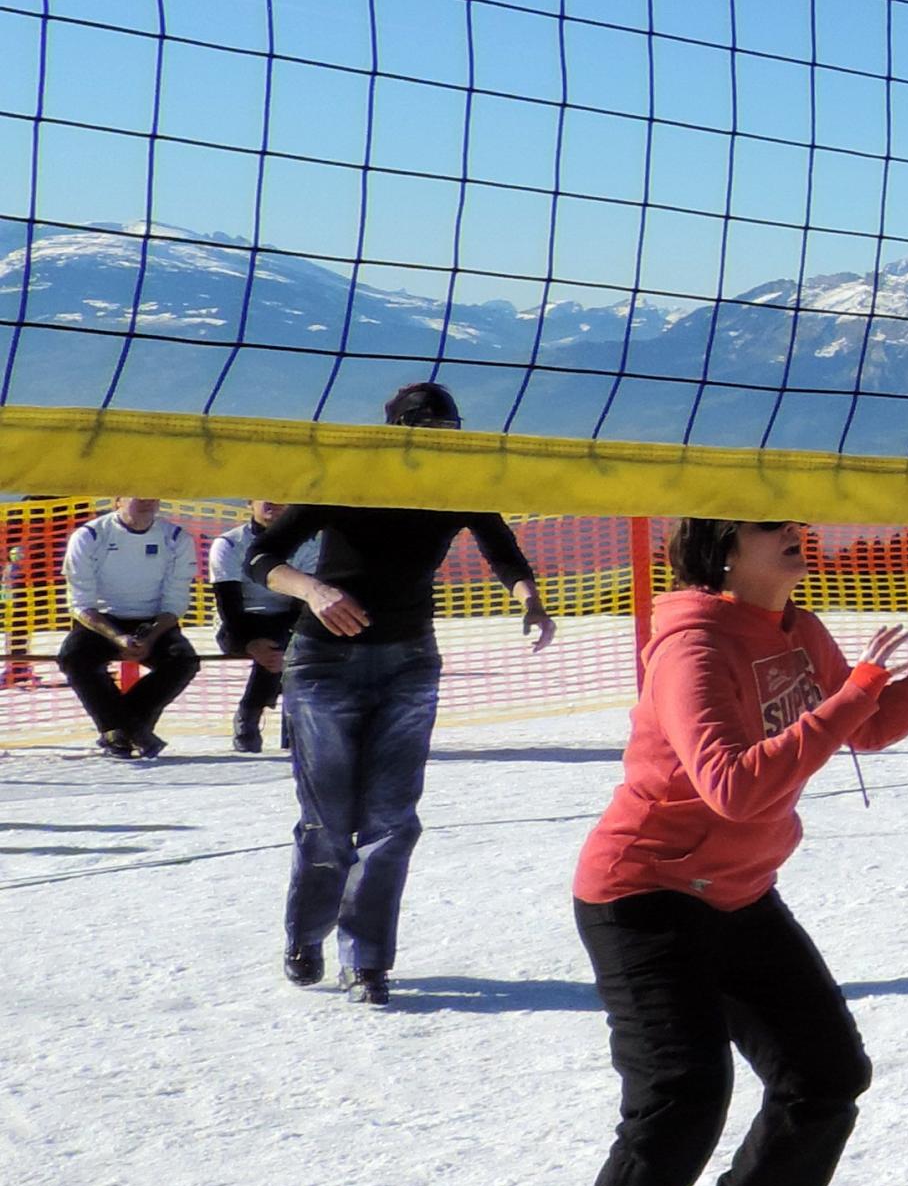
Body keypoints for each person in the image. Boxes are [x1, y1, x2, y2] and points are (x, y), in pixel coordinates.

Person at [524, 520, 908, 1186]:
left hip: (738, 892)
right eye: (771, 524)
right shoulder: (692, 648)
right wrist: (853, 692)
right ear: (724, 550)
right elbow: (733, 787)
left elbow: (868, 727)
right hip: (645, 894)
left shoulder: (795, 627)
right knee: (681, 1098)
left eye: (794, 520)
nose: (796, 532)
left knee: (825, 1075)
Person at [256, 384, 557, 1004]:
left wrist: (530, 599)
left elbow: (502, 549)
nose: (443, 442)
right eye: (430, 431)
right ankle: (306, 935)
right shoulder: (347, 477)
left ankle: (366, 960)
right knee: (328, 821)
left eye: (450, 431)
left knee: (392, 821)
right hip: (324, 662)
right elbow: (261, 557)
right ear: (397, 431)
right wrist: (314, 591)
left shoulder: (458, 486)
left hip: (410, 661)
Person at [57, 495, 198, 759]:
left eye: (152, 494)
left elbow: (176, 601)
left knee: (183, 661)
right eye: (137, 494)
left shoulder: (176, 538)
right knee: (74, 656)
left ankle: (121, 728)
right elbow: (81, 603)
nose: (146, 500)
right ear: (117, 501)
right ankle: (131, 729)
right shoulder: (89, 536)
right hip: (102, 619)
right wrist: (117, 637)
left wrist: (151, 636)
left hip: (153, 619)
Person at [206, 499, 299, 754]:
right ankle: (249, 716)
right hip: (237, 621)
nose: (274, 502)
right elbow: (228, 603)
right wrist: (249, 642)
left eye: (282, 497)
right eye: (265, 495)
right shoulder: (229, 543)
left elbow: (301, 604)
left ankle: (253, 714)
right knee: (275, 644)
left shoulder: (309, 543)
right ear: (250, 501)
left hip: (284, 620)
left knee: (290, 642)